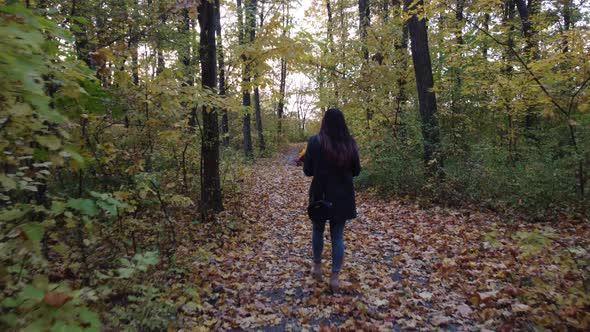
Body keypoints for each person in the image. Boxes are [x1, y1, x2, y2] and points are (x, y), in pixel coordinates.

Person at [303, 107, 361, 292]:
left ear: (324, 122)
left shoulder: (315, 142)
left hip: (320, 194)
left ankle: (317, 267)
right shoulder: (350, 143)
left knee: (318, 230)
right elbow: (356, 171)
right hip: (343, 196)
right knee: (337, 236)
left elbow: (308, 171)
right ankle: (335, 278)